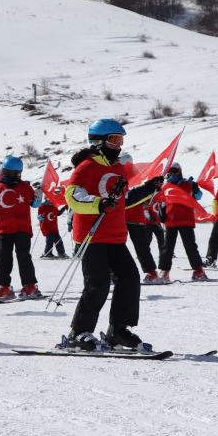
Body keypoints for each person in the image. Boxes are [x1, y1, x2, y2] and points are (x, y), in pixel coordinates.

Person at [64, 119, 161, 351]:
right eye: (113, 140)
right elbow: (73, 196)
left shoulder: (117, 168)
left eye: (121, 140)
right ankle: (79, 332)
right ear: (98, 142)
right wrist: (98, 204)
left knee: (129, 278)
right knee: (97, 284)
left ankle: (118, 330)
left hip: (115, 236)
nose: (118, 145)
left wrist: (150, 188)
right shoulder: (85, 167)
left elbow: (122, 201)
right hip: (91, 236)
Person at [0, 156, 42, 301]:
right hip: (4, 230)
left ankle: (30, 285)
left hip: (22, 229)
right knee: (3, 259)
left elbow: (34, 204)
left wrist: (38, 197)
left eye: (11, 173)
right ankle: (3, 286)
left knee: (23, 257)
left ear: (18, 173)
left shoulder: (25, 187)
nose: (8, 176)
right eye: (6, 172)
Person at [158, 163, 208, 282]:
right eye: (171, 171)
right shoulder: (166, 187)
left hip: (186, 220)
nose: (173, 173)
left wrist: (195, 189)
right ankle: (164, 272)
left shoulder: (188, 184)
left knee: (190, 247)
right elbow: (162, 203)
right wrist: (162, 215)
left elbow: (199, 196)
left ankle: (199, 271)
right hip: (171, 221)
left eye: (175, 171)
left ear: (180, 171)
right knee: (167, 248)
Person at [120, 153, 163, 284]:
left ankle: (152, 273)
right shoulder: (134, 177)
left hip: (130, 217)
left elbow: (142, 197)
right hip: (127, 217)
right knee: (133, 246)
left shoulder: (135, 178)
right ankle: (151, 273)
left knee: (139, 247)